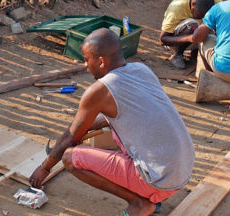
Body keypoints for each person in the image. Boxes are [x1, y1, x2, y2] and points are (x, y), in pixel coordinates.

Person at [28, 29, 194, 216]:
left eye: (86, 59)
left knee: (70, 158)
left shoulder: (100, 90)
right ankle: (148, 195)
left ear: (101, 61)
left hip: (160, 181)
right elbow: (118, 115)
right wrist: (84, 127)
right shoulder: (141, 70)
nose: (85, 65)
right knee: (115, 128)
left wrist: (44, 168)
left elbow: (69, 138)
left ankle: (139, 203)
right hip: (181, 171)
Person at [158, 0, 221, 69]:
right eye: (199, 16)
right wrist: (190, 38)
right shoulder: (176, 8)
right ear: (193, 4)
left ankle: (196, 53)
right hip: (177, 39)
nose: (202, 18)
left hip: (196, 36)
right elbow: (162, 40)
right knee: (193, 25)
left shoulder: (214, 0)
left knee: (211, 26)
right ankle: (178, 54)